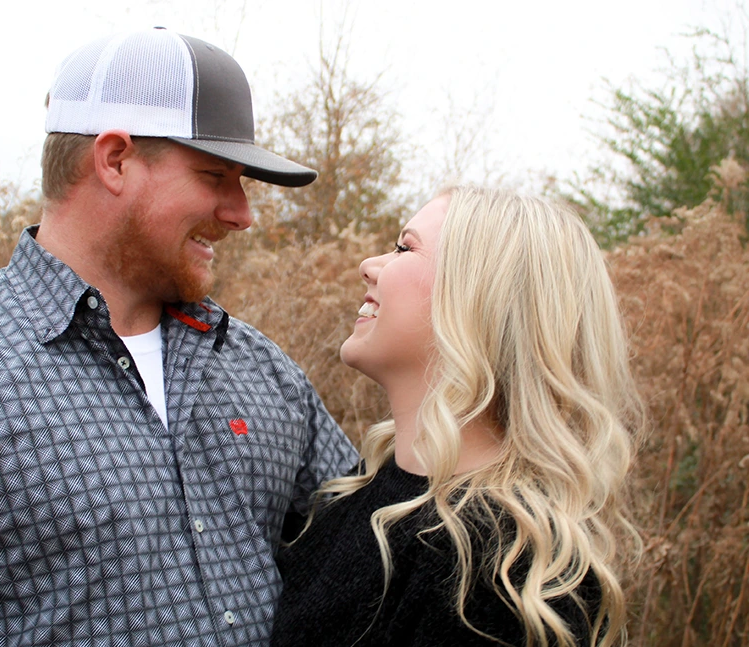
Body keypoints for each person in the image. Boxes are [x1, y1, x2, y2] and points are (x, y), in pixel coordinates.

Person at [0, 28, 357, 647]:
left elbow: (365, 555)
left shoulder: (263, 373)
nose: (242, 212)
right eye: (215, 175)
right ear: (114, 159)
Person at [271, 186, 643, 647]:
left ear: (478, 300)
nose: (369, 266)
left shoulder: (504, 575)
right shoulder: (359, 490)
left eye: (404, 248)